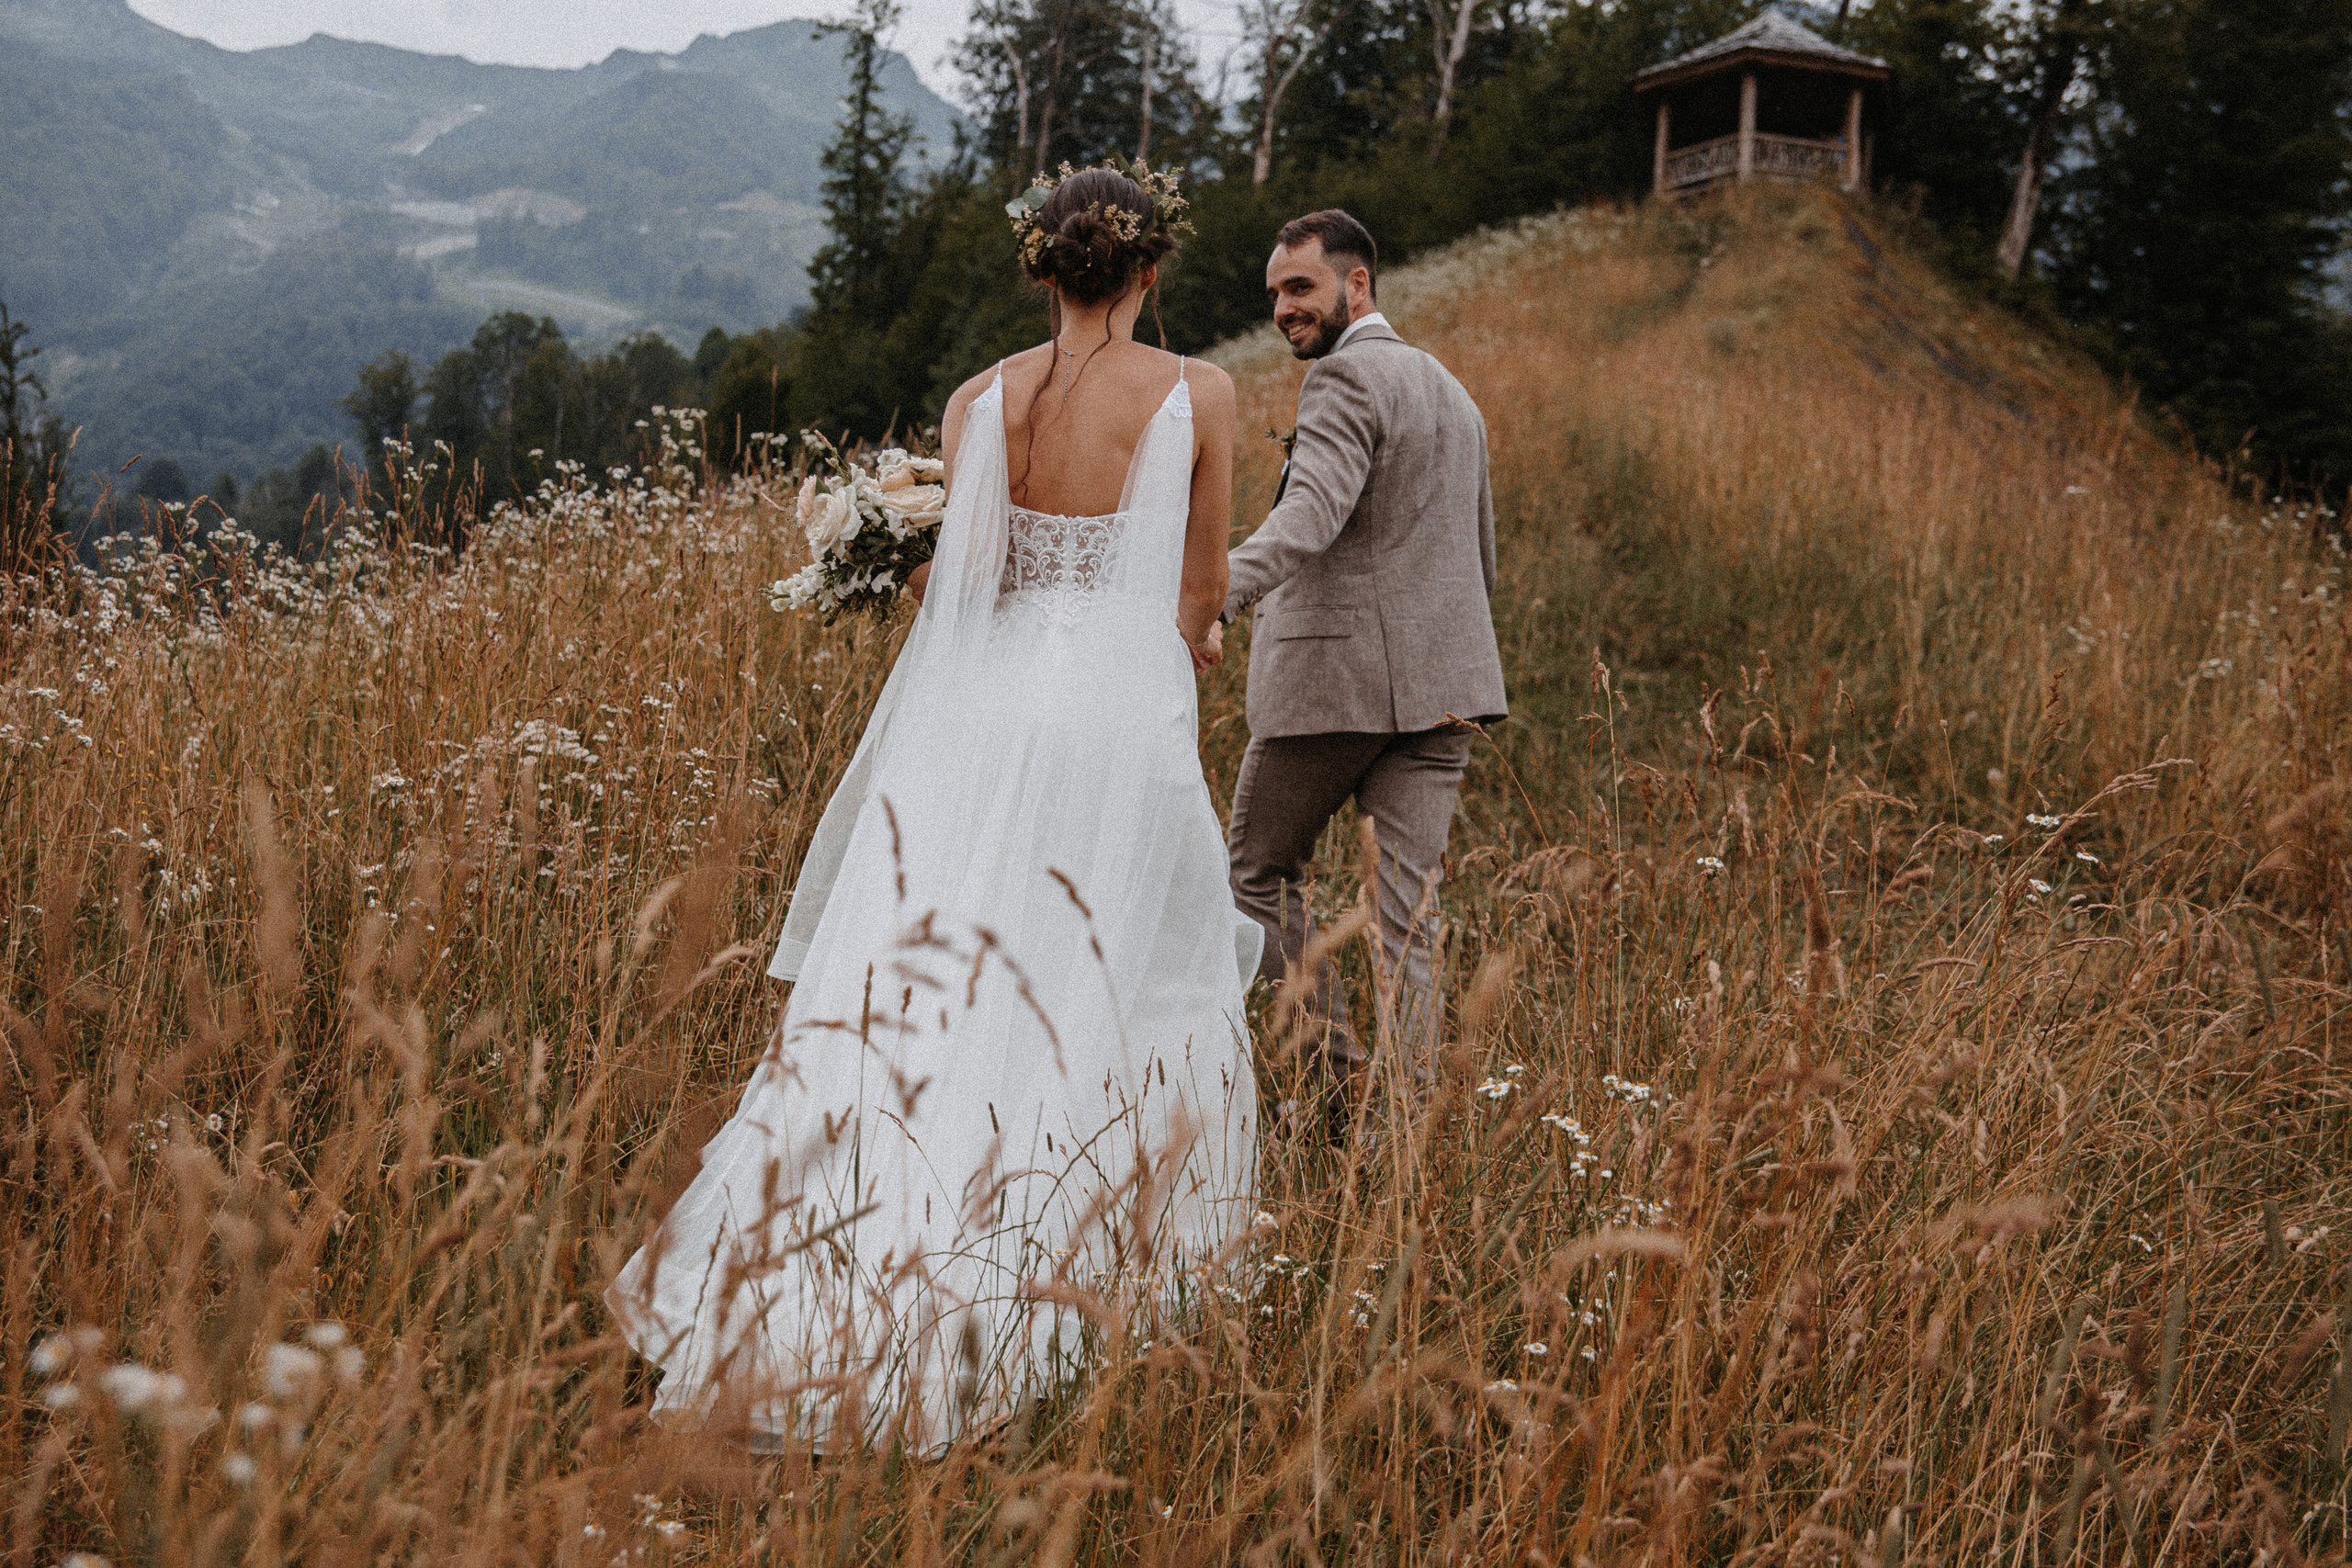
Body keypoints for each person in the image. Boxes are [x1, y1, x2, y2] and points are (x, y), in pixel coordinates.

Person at [605, 164, 1261, 1455]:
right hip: (1113, 718)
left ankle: (810, 1277)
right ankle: (1058, 1274)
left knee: (931, 976)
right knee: (1100, 974)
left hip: (977, 718)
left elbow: (959, 594)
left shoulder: (978, 400)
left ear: (1040, 268)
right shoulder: (1202, 394)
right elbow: (1202, 589)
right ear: (1149, 271)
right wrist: (1187, 652)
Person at [1201, 209, 1507, 1120]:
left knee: (1256, 874)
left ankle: (1341, 1090)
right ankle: (1403, 1133)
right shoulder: (1453, 391)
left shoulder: (1340, 380)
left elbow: (1308, 519)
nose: (1284, 310)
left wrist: (1210, 598)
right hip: (1445, 692)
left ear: (1356, 284)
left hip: (1335, 690)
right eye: (1274, 296)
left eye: (1300, 288)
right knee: (1410, 920)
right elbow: (1477, 553)